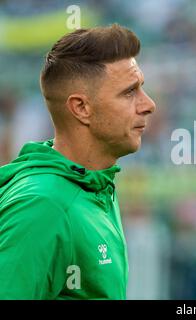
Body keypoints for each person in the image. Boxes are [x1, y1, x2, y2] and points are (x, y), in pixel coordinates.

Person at [0, 24, 156, 299]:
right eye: (129, 92)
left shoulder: (95, 184)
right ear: (81, 108)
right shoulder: (43, 206)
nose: (148, 104)